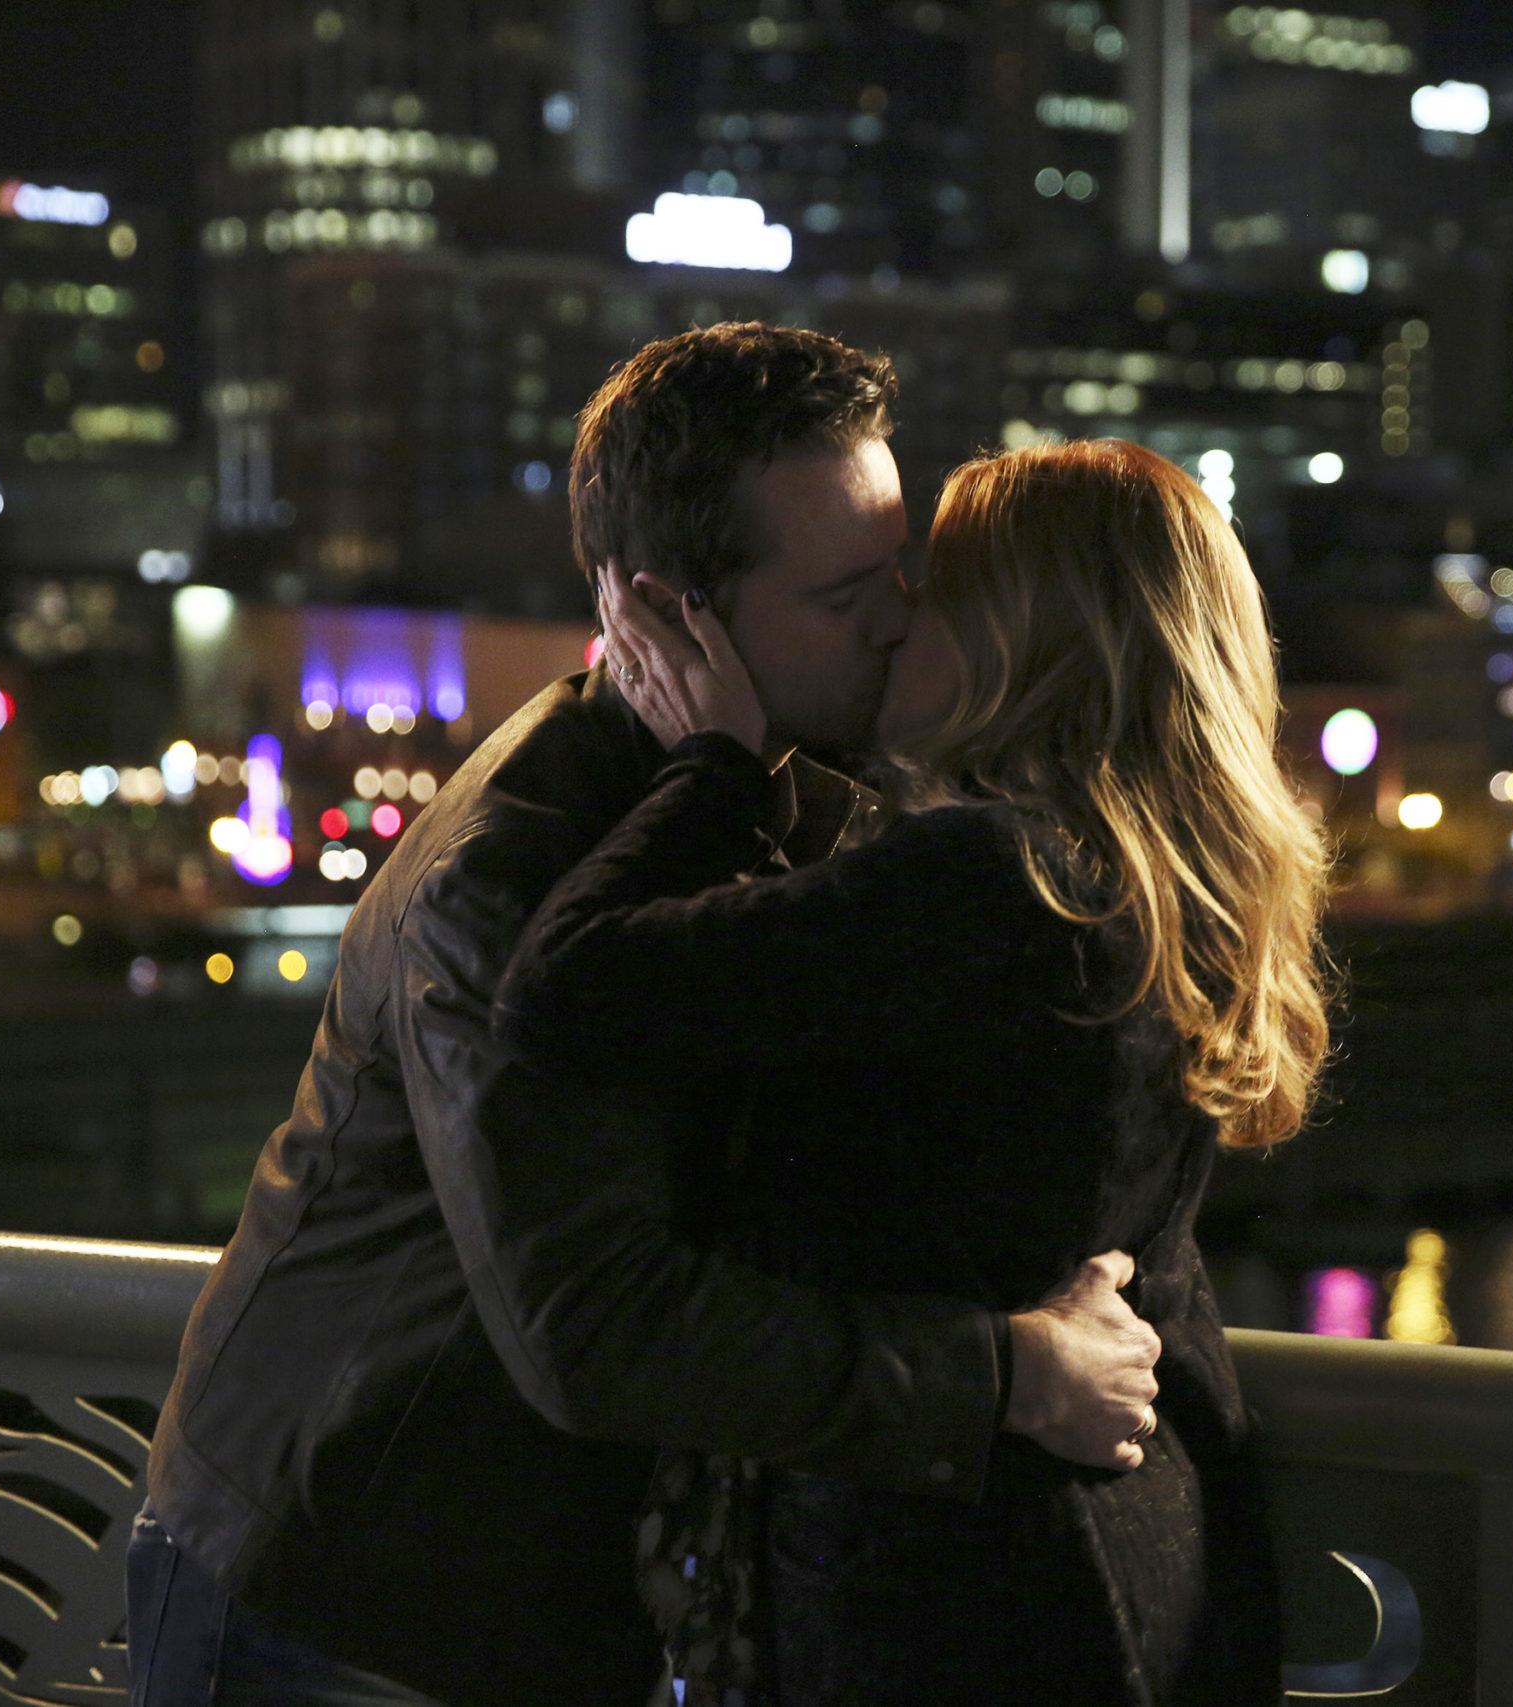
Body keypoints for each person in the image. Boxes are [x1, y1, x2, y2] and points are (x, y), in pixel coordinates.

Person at [133, 327, 1163, 1707]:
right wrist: (1002, 1377)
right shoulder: (510, 878)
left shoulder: (757, 788)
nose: (902, 618)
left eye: (902, 571)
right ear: (672, 613)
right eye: (847, 590)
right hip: (345, 1592)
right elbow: (596, 1322)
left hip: (498, 1583)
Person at [496, 437, 1334, 1705]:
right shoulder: (1157, 888)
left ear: (1021, 637)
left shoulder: (987, 883)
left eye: (932, 590)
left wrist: (714, 764)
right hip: (1145, 1545)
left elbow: (566, 993)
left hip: (947, 1590)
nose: (895, 625)